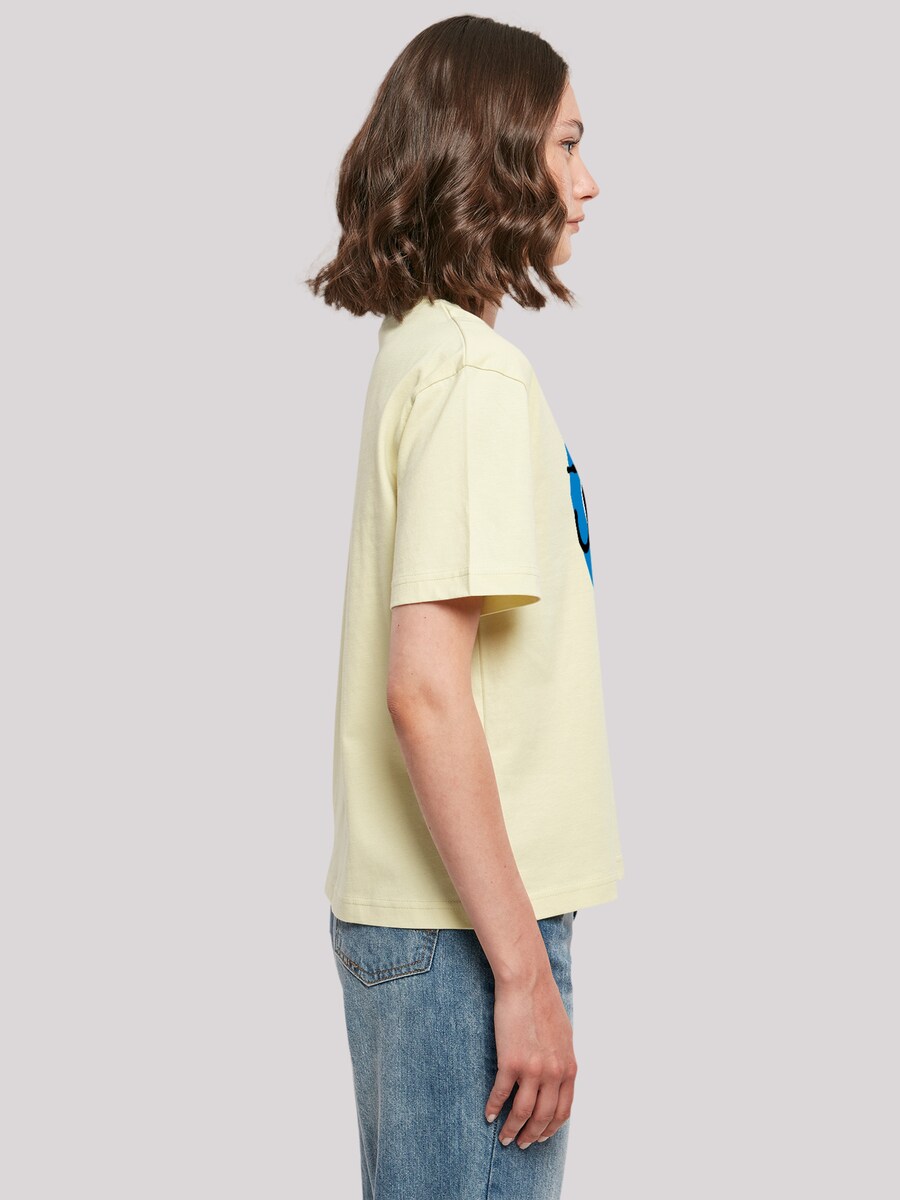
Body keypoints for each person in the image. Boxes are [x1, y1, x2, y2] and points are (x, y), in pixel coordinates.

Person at [306, 15, 625, 1199]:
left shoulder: (421, 352)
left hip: (433, 925)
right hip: (468, 938)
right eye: (567, 145)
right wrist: (522, 974)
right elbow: (427, 692)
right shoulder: (473, 378)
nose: (588, 183)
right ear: (494, 155)